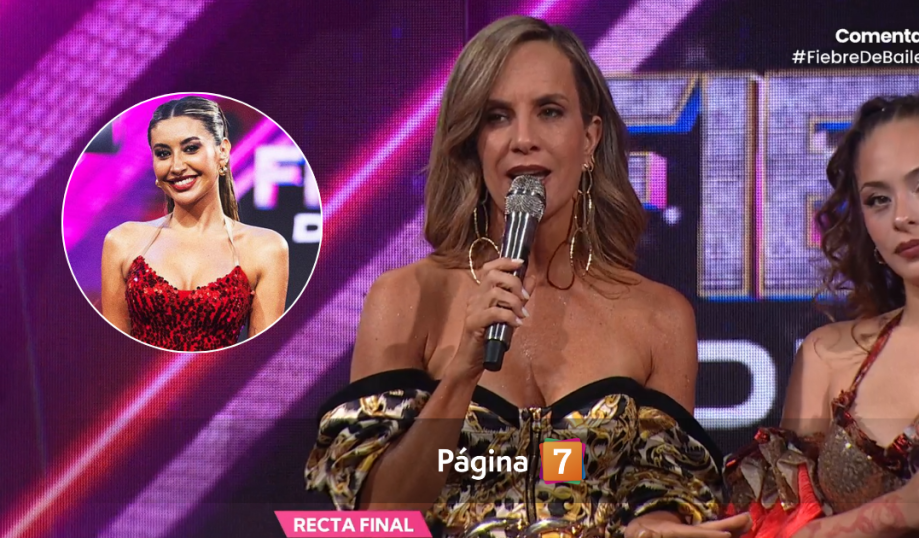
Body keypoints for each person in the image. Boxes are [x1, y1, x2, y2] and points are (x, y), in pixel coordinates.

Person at [305, 15, 750, 538]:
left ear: (590, 138)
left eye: (549, 112)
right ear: (474, 142)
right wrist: (461, 374)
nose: (523, 139)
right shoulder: (407, 298)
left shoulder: (660, 317)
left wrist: (653, 526)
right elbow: (376, 516)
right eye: (497, 117)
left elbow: (661, 490)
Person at [725, 78, 919, 538]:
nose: (901, 216)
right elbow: (771, 531)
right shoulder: (829, 357)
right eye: (878, 199)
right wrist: (895, 512)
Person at [100, 96, 289, 352]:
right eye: (163, 153)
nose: (176, 166)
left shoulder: (265, 248)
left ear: (222, 151)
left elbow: (260, 357)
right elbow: (114, 355)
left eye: (190, 149)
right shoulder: (122, 241)